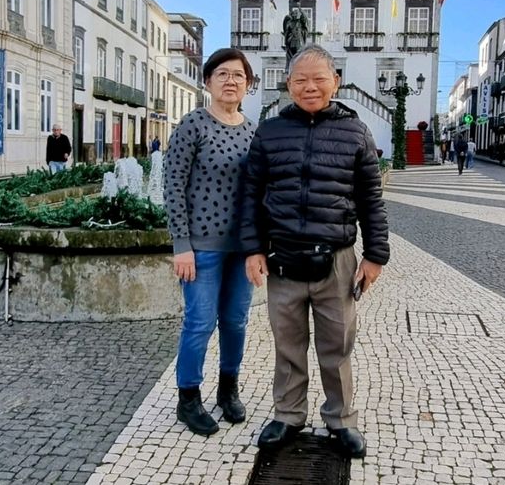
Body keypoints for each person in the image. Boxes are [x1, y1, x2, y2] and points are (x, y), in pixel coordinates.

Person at [240, 45, 390, 460]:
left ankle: (341, 419)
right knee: (288, 342)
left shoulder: (356, 132)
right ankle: (288, 414)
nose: (310, 87)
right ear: (288, 85)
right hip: (283, 256)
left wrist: (375, 255)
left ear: (335, 82)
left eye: (319, 79)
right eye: (300, 80)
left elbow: (370, 198)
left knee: (337, 344)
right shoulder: (269, 131)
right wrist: (253, 249)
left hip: (338, 258)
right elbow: (252, 194)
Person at [163, 48, 256, 437]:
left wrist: (259, 246)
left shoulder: (253, 130)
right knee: (199, 322)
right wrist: (180, 243)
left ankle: (227, 389)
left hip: (243, 247)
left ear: (248, 85)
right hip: (201, 247)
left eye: (238, 75)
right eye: (222, 74)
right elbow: (172, 184)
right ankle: (188, 398)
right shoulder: (192, 125)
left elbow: (260, 188)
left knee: (235, 321)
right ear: (208, 82)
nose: (230, 80)